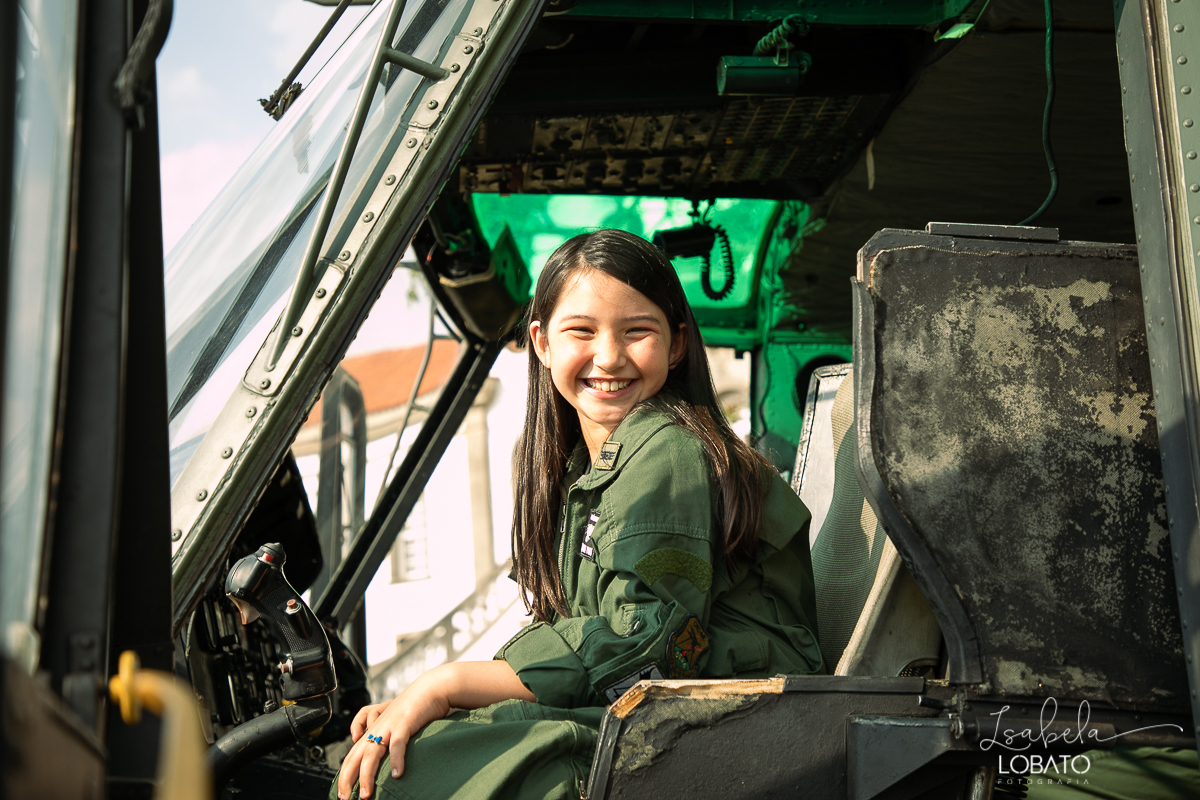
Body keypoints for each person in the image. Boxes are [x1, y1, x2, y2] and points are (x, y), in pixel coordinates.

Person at [332, 228, 823, 800]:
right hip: (677, 718)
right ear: (541, 343)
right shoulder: (582, 468)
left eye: (637, 331)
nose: (609, 356)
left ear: (677, 343)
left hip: (732, 729)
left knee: (399, 780)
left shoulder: (667, 449)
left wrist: (448, 683)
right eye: (581, 331)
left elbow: (645, 647)